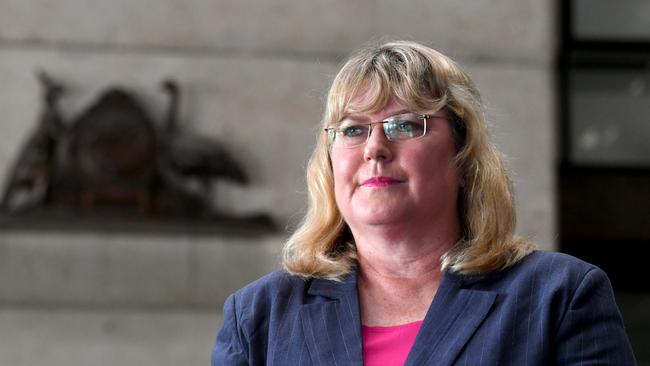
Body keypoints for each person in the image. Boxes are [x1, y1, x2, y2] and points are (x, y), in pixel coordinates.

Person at [211, 40, 637, 365]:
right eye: (353, 130)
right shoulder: (258, 316)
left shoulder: (558, 296)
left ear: (462, 153)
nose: (374, 148)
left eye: (404, 125)